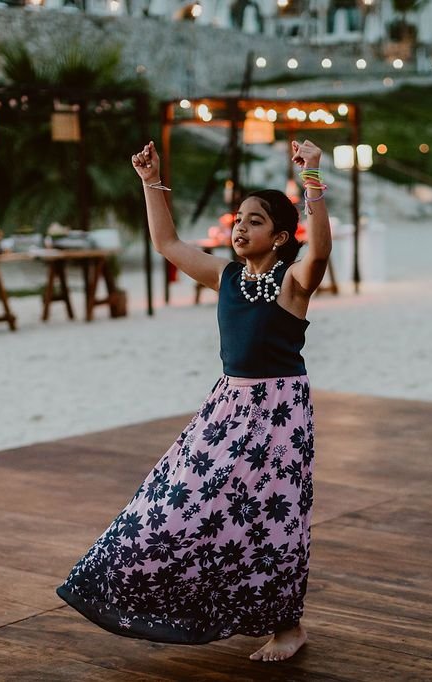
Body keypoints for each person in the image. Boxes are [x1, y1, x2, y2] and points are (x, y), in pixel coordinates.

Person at [56, 139, 332, 662]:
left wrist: (312, 177)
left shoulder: (293, 282)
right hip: (227, 408)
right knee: (176, 504)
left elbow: (318, 250)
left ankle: (287, 627)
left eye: (255, 221)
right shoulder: (226, 276)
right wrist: (150, 181)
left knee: (272, 522)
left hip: (279, 416)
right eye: (239, 219)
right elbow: (167, 243)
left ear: (279, 236)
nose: (241, 228)